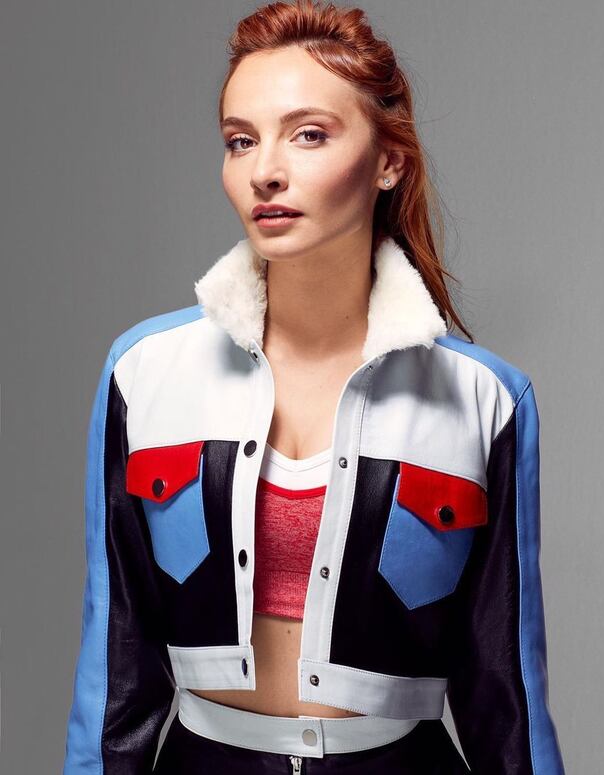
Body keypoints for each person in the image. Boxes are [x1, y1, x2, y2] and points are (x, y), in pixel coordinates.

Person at [62, 1, 566, 773]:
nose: (265, 169)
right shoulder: (144, 371)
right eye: (241, 140)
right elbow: (115, 663)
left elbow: (508, 693)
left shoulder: (486, 400)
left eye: (308, 134)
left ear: (389, 160)